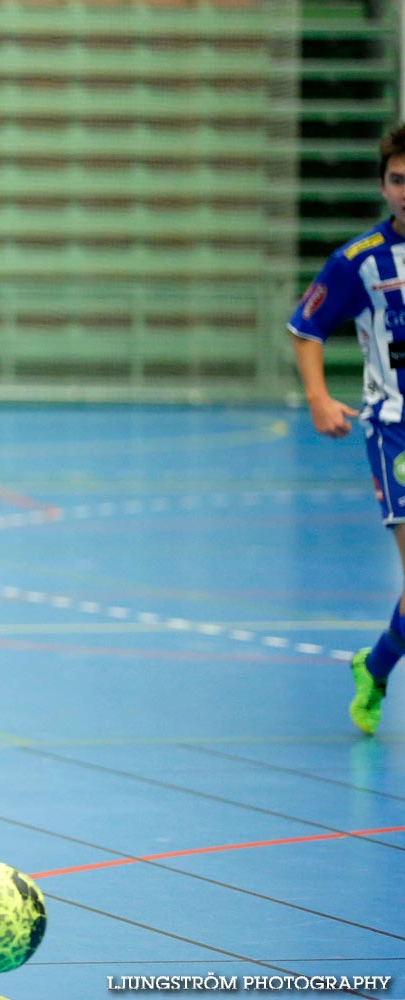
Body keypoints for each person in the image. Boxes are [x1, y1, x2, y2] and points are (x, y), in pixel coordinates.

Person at [289, 122, 405, 738]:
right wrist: (316, 397)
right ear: (383, 188)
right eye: (397, 180)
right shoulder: (358, 262)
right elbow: (305, 329)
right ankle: (377, 668)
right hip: (396, 430)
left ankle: (376, 666)